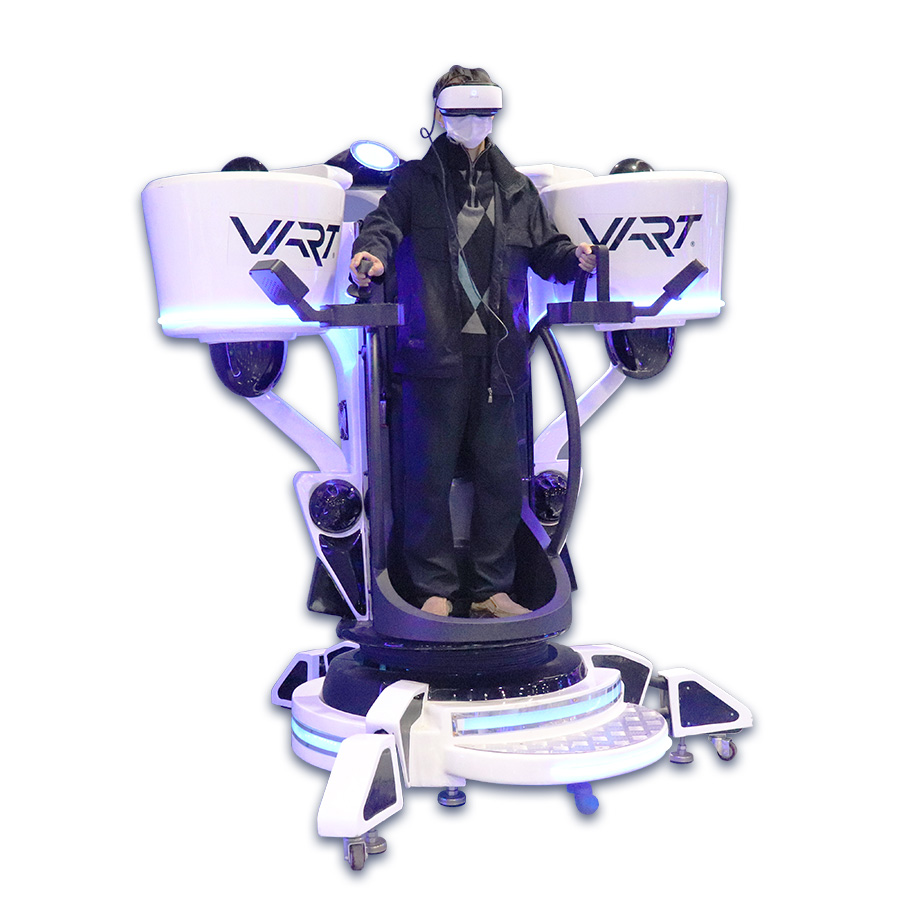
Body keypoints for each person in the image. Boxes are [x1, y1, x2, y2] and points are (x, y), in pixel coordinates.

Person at [350, 65, 596, 619]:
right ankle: (432, 590)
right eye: (460, 114)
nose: (471, 124)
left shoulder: (515, 189)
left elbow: (548, 250)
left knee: (501, 479)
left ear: (493, 115)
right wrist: (371, 256)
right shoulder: (413, 182)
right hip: (432, 355)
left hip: (499, 361)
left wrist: (575, 259)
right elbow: (382, 227)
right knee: (426, 478)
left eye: (481, 113)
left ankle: (491, 588)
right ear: (440, 116)